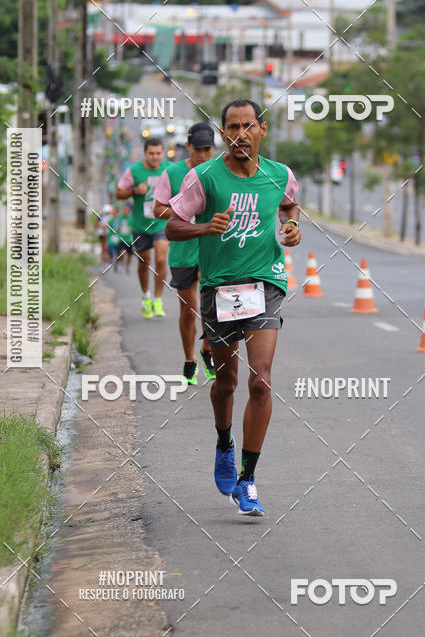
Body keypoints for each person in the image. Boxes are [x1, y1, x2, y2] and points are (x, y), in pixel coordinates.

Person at [166, 100, 301, 516]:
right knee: (226, 383)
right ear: (223, 133)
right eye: (231, 127)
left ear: (262, 129)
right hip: (221, 288)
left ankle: (248, 479)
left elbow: (289, 205)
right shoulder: (203, 177)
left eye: (247, 126)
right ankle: (224, 441)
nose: (239, 134)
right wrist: (205, 226)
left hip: (266, 282)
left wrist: (291, 227)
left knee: (260, 381)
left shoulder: (279, 175)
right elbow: (171, 224)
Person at [153, 123, 217, 385]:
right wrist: (183, 213)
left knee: (212, 308)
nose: (202, 154)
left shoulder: (218, 171)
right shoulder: (172, 173)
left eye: (207, 149)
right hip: (182, 249)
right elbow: (158, 209)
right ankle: (190, 357)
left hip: (212, 248)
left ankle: (208, 351)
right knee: (189, 310)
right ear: (188, 146)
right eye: (198, 148)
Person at [117, 139, 171, 317]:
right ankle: (146, 296)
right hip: (141, 225)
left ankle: (157, 299)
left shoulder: (169, 169)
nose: (155, 157)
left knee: (161, 259)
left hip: (161, 223)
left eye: (158, 153)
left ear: (162, 153)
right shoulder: (134, 171)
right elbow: (119, 194)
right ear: (145, 153)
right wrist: (134, 191)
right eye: (151, 153)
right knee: (144, 261)